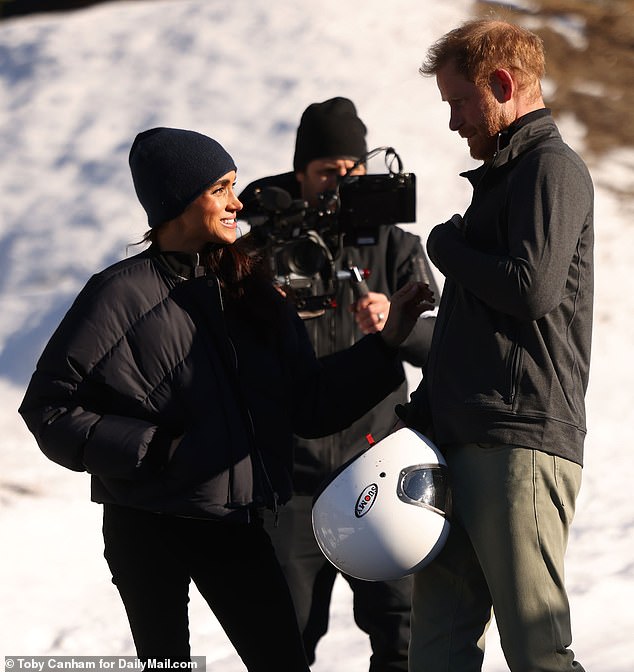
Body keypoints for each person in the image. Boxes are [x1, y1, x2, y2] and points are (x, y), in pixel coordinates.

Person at [17, 127, 434, 671]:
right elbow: (48, 407)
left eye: (234, 185)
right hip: (145, 526)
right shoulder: (117, 292)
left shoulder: (252, 288)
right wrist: (154, 450)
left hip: (237, 522)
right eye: (221, 188)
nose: (238, 202)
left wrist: (387, 343)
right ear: (177, 201)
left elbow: (311, 404)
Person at [396, 19, 593, 671]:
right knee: (436, 655)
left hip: (518, 444)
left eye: (457, 101)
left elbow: (531, 289)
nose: (454, 122)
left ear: (502, 84)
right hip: (464, 440)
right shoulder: (510, 178)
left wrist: (447, 248)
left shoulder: (550, 168)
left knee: (538, 653)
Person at [239, 97, 439, 672]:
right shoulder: (260, 248)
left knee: (402, 636)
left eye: (353, 172)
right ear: (300, 174)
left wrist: (397, 330)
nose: (340, 185)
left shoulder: (397, 246)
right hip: (289, 480)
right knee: (284, 642)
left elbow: (444, 344)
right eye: (327, 171)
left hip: (377, 473)